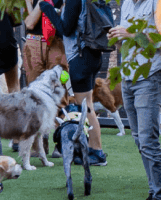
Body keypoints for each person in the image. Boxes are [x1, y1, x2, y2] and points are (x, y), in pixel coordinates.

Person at [105, 0, 161, 198]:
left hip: (150, 75)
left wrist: (130, 33)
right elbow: (127, 42)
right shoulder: (127, 3)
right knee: (138, 140)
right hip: (129, 77)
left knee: (148, 140)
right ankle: (154, 189)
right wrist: (117, 38)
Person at [27, 0, 109, 166]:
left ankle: (96, 152)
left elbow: (65, 28)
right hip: (92, 54)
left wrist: (47, 8)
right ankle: (95, 150)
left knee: (85, 108)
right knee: (88, 106)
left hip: (80, 56)